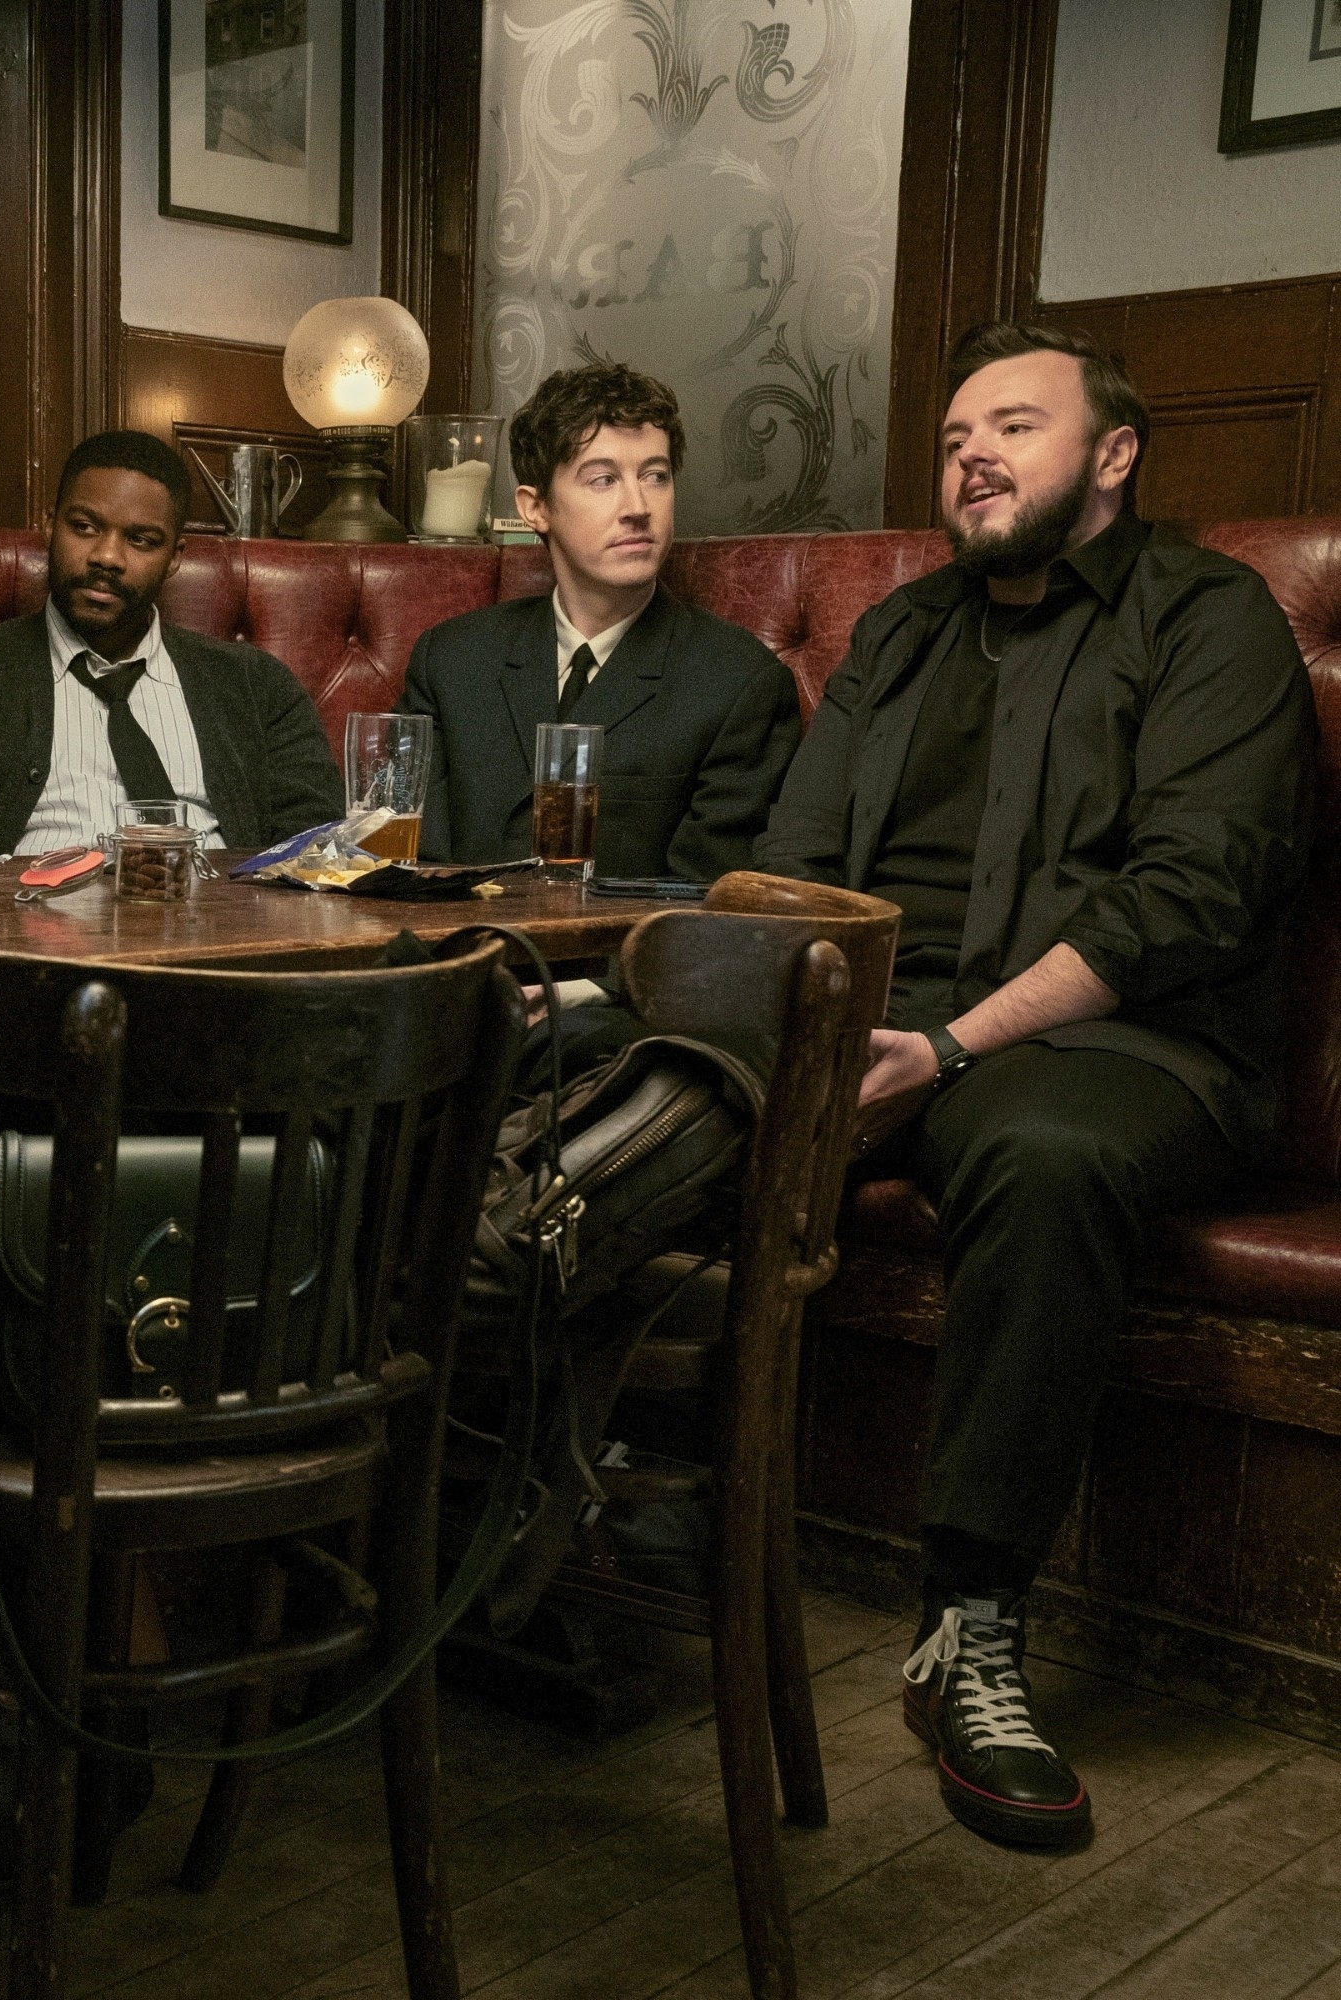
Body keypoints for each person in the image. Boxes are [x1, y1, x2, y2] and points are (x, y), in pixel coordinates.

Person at [756, 322, 1313, 1853]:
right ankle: (543, 1493)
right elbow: (801, 863)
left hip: (1122, 1047)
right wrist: (800, 1040)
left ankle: (970, 1628)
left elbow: (1190, 899)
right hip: (884, 1029)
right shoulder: (903, 632)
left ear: (1114, 456)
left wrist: (943, 1048)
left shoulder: (1214, 621)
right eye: (953, 438)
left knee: (1049, 1149)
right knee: (610, 1093)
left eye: (1013, 425)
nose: (972, 455)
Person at [397, 360, 801, 879]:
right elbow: (408, 869)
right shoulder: (451, 660)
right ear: (535, 507)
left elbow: (708, 910)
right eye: (603, 479)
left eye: (655, 476)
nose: (638, 505)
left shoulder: (740, 683)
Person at [0, 429, 350, 855]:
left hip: (215, 912)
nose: (107, 556)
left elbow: (314, 845)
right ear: (50, 528)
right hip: (30, 913)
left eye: (140, 540)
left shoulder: (257, 686)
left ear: (175, 558)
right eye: (85, 527)